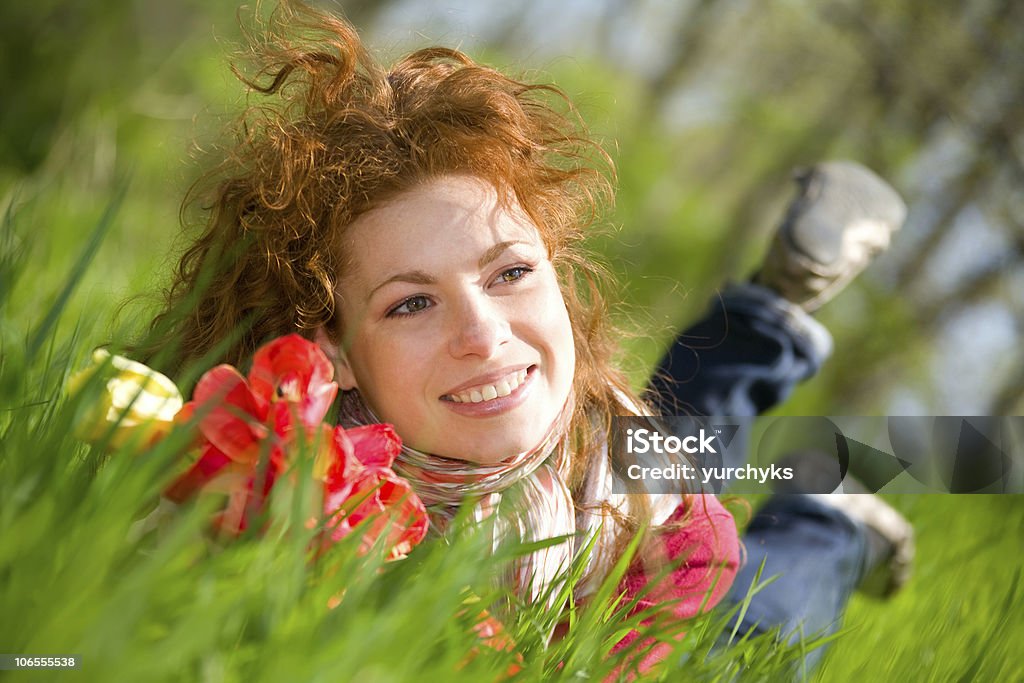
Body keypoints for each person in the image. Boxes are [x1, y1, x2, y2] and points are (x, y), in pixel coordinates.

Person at [145, 1, 912, 674]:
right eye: (412, 304)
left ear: (556, 272)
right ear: (336, 349)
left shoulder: (665, 527)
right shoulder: (292, 482)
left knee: (750, 641)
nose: (482, 333)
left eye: (509, 273)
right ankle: (770, 325)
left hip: (619, 495)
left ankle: (826, 513)